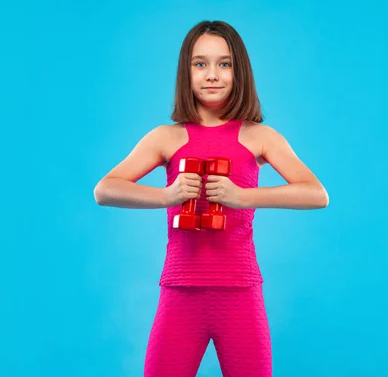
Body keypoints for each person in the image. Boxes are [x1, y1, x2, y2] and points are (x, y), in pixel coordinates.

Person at [93, 20, 329, 377]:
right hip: (179, 290)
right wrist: (166, 195)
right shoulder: (166, 137)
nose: (212, 75)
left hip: (241, 292)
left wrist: (244, 197)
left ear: (240, 72)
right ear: (185, 72)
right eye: (200, 63)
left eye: (224, 63)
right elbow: (105, 189)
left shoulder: (259, 136)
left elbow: (316, 194)